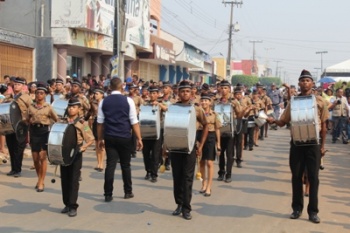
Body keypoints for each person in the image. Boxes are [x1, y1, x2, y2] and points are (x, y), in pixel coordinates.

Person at [267, 69, 328, 224]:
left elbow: (325, 126)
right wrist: (272, 121)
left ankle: (313, 212)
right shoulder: (293, 102)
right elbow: (283, 121)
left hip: (313, 144)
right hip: (297, 144)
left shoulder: (320, 101)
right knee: (296, 177)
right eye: (302, 80)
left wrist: (322, 146)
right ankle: (296, 209)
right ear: (299, 83)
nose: (305, 83)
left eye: (308, 80)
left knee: (313, 178)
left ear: (312, 83)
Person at [97, 77, 143, 202]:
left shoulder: (103, 102)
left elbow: (100, 123)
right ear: (122, 86)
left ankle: (108, 193)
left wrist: (100, 139)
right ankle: (128, 191)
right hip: (124, 136)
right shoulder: (128, 101)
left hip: (110, 136)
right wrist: (139, 138)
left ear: (110, 87)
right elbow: (134, 122)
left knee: (110, 165)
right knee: (125, 165)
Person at [170, 80, 208, 220]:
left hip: (191, 147)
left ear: (192, 93)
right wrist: (165, 146)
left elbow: (205, 125)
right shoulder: (173, 107)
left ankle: (186, 208)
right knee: (177, 177)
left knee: (187, 178)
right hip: (175, 147)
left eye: (187, 91)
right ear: (178, 93)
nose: (185, 93)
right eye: (182, 91)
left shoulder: (196, 109)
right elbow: (168, 127)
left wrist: (201, 145)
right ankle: (179, 204)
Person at [60, 98, 94, 217]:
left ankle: (73, 205)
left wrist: (84, 147)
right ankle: (66, 203)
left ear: (79, 109)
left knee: (74, 179)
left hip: (76, 152)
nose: (71, 109)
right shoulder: (62, 121)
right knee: (64, 178)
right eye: (69, 107)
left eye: (73, 107)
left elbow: (90, 139)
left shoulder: (83, 123)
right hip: (64, 152)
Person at [27, 82, 58, 192]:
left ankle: (41, 181)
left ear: (45, 95)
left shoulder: (48, 107)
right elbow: (27, 120)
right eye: (37, 93)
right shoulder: (31, 107)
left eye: (41, 93)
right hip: (33, 131)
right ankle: (39, 177)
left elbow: (56, 119)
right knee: (35, 159)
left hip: (44, 132)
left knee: (42, 157)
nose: (39, 95)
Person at [4, 77, 32, 177]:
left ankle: (18, 169)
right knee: (11, 147)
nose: (16, 86)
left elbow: (31, 110)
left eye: (18, 84)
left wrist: (28, 120)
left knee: (19, 148)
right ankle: (13, 169)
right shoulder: (9, 97)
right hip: (10, 125)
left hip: (21, 126)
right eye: (15, 84)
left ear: (23, 86)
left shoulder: (26, 97)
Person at [216, 80, 243, 182]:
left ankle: (228, 174)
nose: (223, 90)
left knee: (230, 154)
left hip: (230, 131)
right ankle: (221, 172)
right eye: (222, 88)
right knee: (220, 153)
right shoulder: (216, 101)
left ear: (229, 89)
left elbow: (240, 114)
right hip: (219, 131)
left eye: (225, 88)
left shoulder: (234, 102)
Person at [141, 86, 167, 183]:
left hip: (158, 130)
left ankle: (154, 174)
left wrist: (159, 105)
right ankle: (148, 171)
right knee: (146, 153)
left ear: (157, 94)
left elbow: (167, 109)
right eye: (150, 93)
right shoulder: (145, 104)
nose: (152, 95)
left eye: (154, 93)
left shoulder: (160, 103)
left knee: (156, 153)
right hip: (146, 130)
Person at [198, 93, 221, 197]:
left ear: (210, 102)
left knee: (209, 163)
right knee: (201, 162)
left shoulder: (214, 114)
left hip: (211, 137)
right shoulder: (197, 113)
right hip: (199, 135)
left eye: (206, 100)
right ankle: (203, 184)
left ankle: (209, 187)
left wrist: (218, 144)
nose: (204, 102)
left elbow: (217, 129)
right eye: (202, 100)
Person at [90, 88, 105, 172]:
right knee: (96, 143)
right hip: (95, 122)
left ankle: (102, 163)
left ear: (102, 95)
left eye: (97, 94)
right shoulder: (93, 103)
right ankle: (98, 163)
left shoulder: (105, 103)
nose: (95, 95)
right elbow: (89, 112)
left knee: (102, 143)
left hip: (103, 123)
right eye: (95, 94)